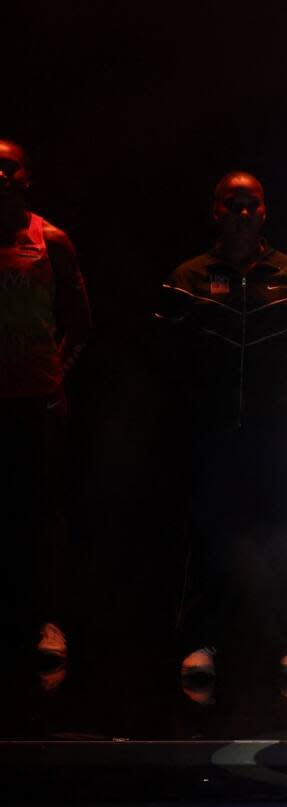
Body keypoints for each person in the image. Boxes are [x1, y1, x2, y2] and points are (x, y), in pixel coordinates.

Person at [157, 171, 287, 699]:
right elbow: (171, 355)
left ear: (265, 212)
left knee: (284, 535)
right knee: (208, 535)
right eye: (233, 205)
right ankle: (202, 642)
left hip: (278, 430)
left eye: (252, 205)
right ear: (216, 211)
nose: (243, 214)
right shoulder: (189, 274)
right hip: (212, 430)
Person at [0, 139, 91, 664]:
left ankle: (49, 621)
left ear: (26, 177)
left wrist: (56, 378)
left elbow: (81, 322)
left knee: (42, 511)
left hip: (37, 402)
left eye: (8, 168)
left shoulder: (49, 239)